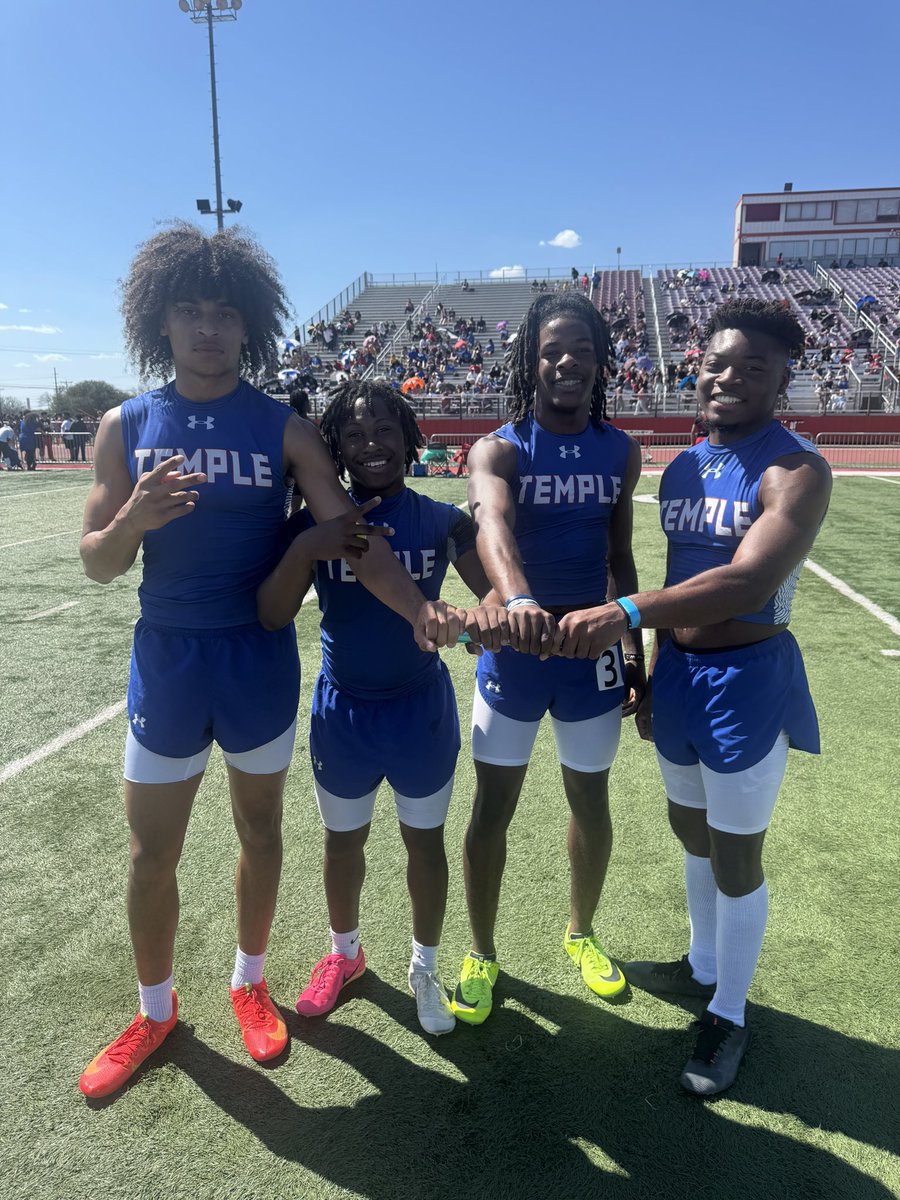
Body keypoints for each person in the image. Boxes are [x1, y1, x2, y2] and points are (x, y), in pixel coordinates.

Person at [77, 222, 465, 1100]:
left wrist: (421, 609)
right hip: (168, 660)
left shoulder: (284, 430)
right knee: (150, 853)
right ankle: (155, 1008)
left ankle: (250, 984)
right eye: (189, 311)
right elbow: (98, 563)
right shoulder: (123, 424)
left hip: (257, 660)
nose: (208, 328)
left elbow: (352, 540)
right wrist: (133, 519)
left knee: (260, 832)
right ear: (159, 322)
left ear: (249, 325)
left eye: (224, 313)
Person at [551, 298, 832, 1095]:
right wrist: (648, 664)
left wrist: (627, 615)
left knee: (739, 852)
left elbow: (747, 583)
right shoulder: (681, 464)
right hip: (678, 677)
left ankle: (731, 1014)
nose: (728, 379)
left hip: (749, 679)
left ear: (784, 377)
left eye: (752, 367)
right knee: (689, 826)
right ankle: (704, 965)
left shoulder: (799, 469)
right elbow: (679, 575)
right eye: (716, 364)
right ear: (694, 368)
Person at [258, 381, 501, 1036]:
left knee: (424, 844)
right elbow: (272, 612)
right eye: (355, 435)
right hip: (343, 714)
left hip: (420, 712)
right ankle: (345, 954)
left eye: (385, 429)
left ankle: (424, 965)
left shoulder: (443, 521)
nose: (371, 446)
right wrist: (307, 549)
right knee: (344, 843)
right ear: (332, 447)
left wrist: (469, 625)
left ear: (409, 437)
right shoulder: (312, 525)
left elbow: (497, 614)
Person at [451, 291, 645, 1025]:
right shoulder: (499, 448)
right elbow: (491, 523)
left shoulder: (620, 450)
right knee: (492, 807)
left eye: (582, 352)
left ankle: (581, 932)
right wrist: (520, 599)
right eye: (552, 351)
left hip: (590, 654)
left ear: (601, 364)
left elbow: (620, 556)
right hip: (517, 652)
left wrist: (633, 649)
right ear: (530, 362)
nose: (567, 363)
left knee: (589, 800)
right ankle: (481, 951)